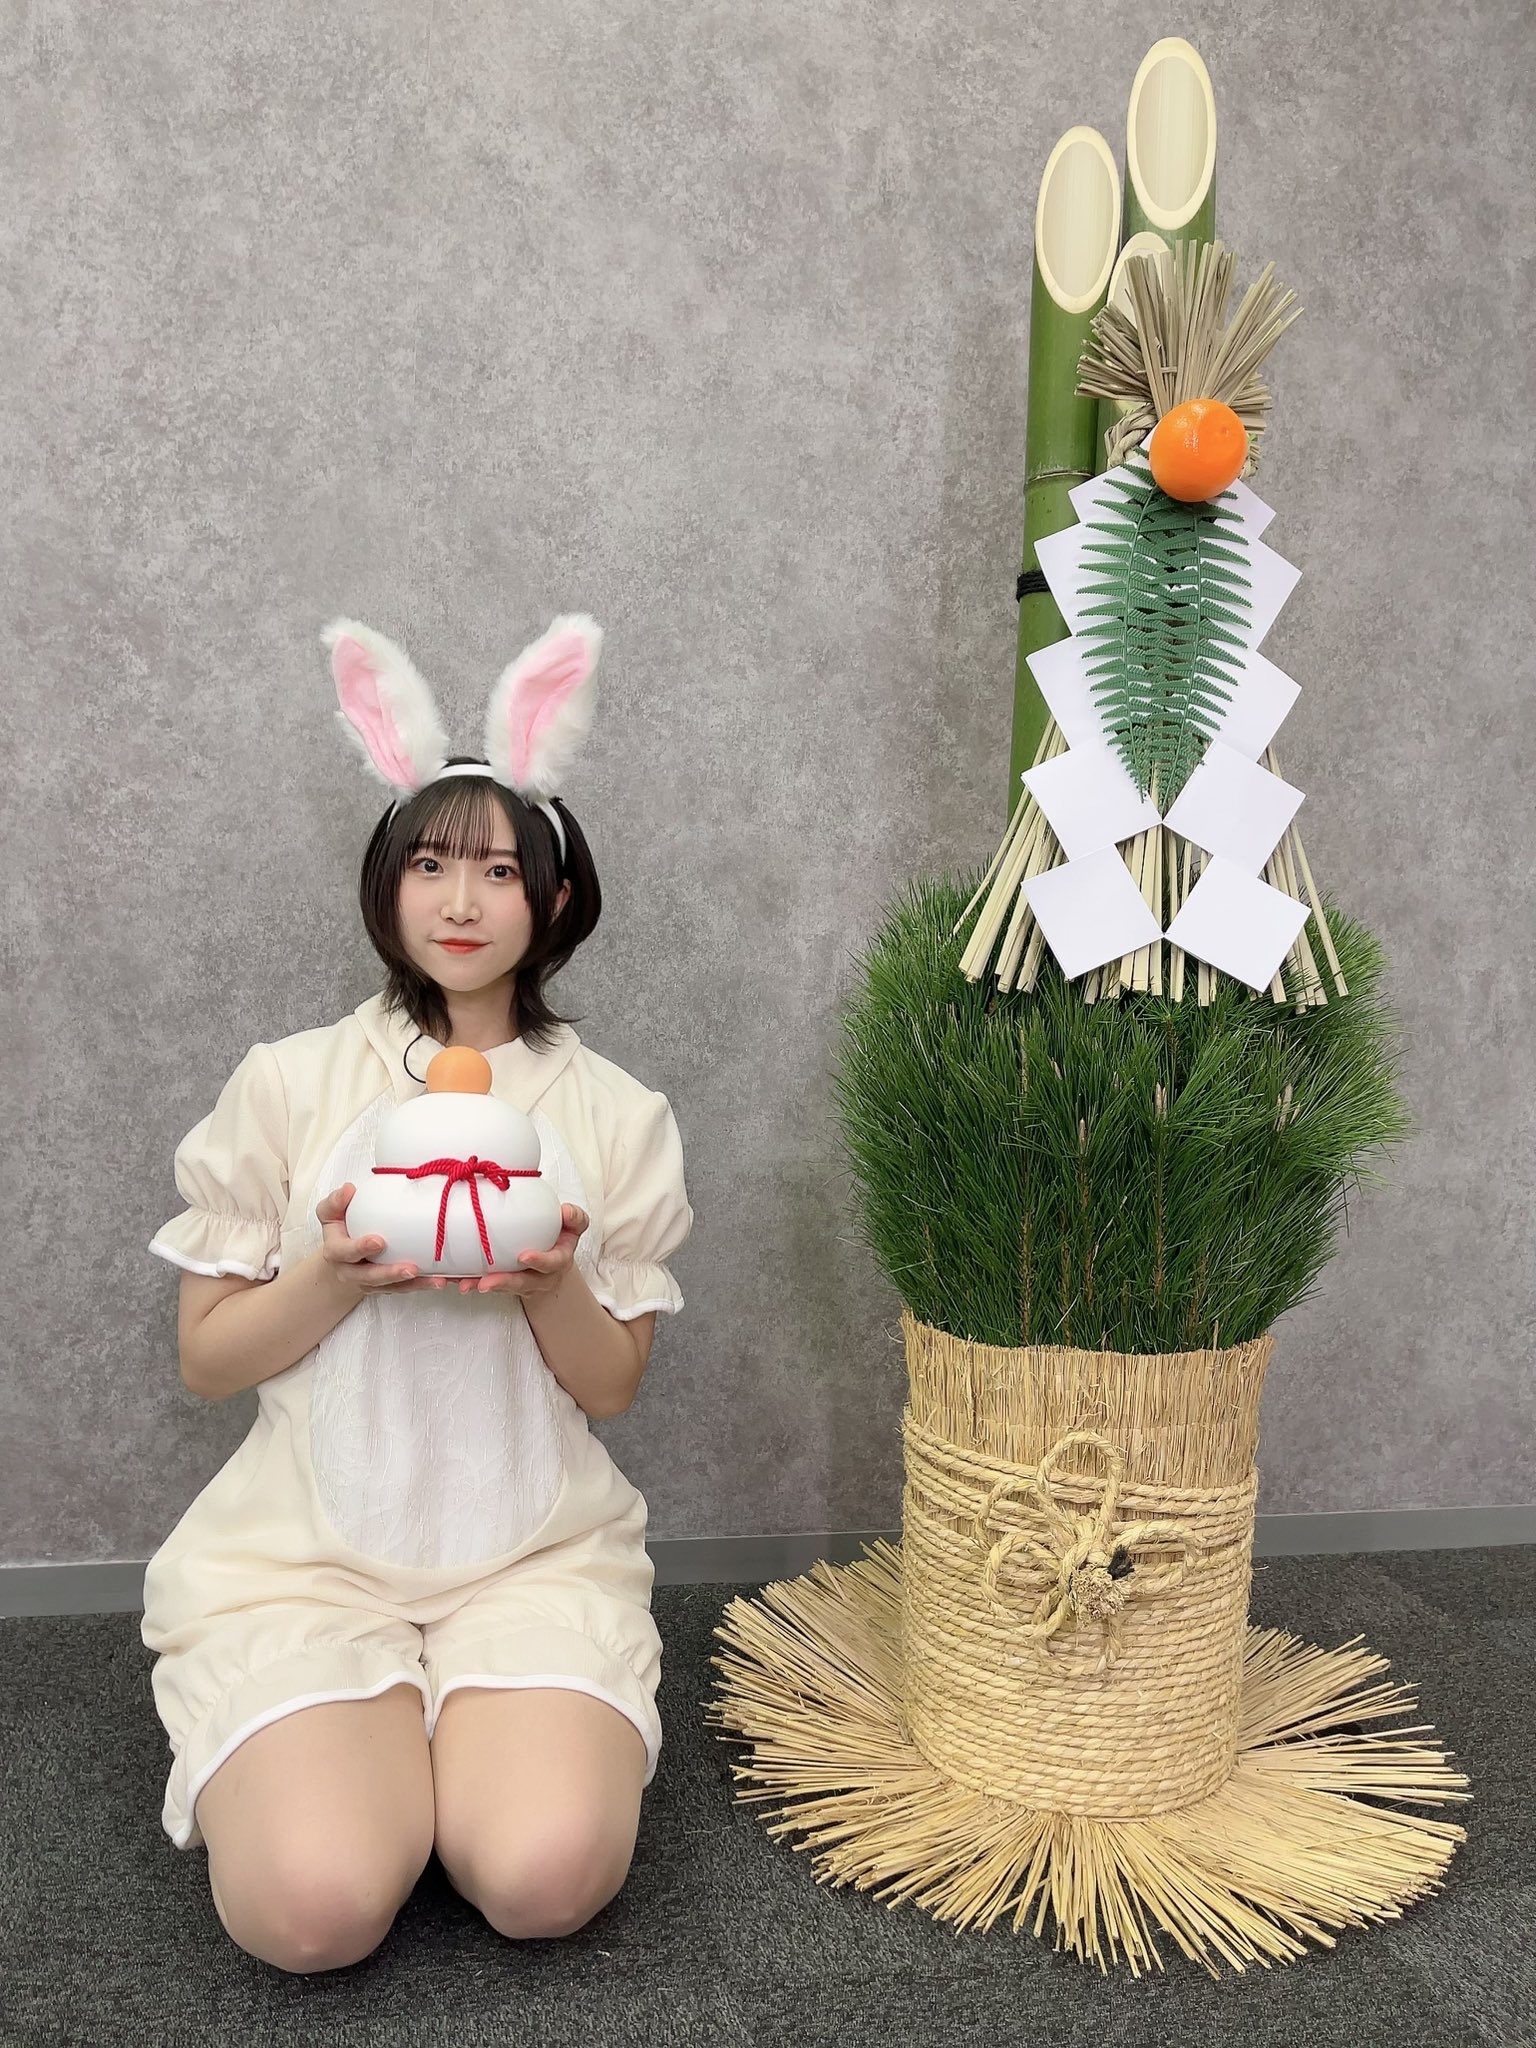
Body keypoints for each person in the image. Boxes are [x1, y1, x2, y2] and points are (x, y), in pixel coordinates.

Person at [140, 615, 692, 1974]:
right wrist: (333, 1271)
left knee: (547, 1878)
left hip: (533, 1560)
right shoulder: (292, 1083)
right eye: (431, 864)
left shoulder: (617, 1114)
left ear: (554, 898)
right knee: (312, 1911)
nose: (461, 902)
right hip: (302, 1566)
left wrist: (550, 1284)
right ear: (387, 886)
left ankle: (469, 1750)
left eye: (500, 871)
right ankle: (369, 1758)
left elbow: (613, 1386)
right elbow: (209, 1359)